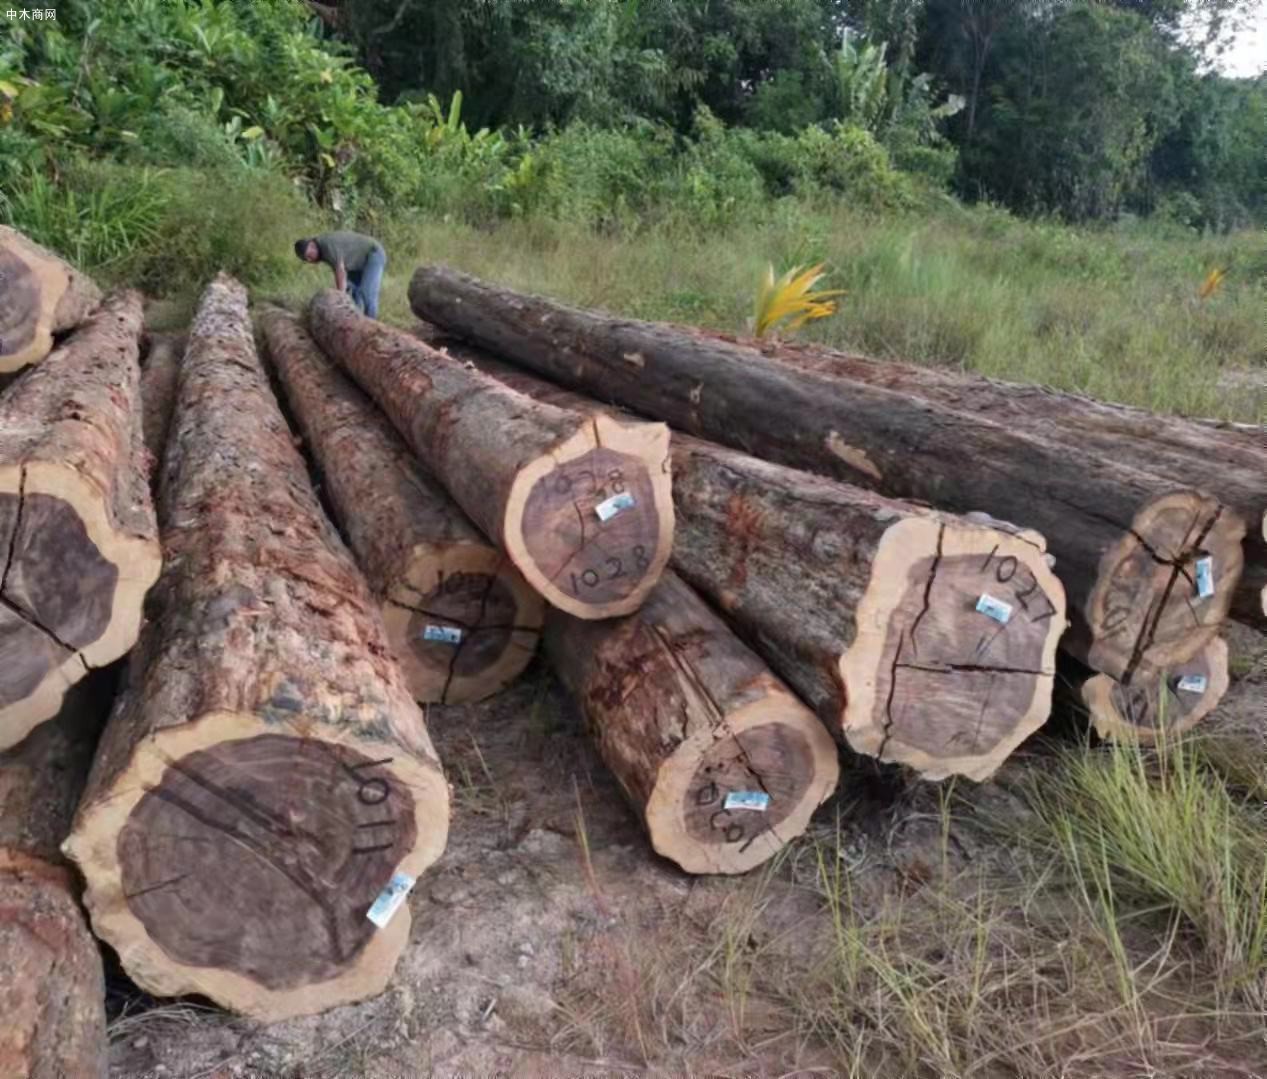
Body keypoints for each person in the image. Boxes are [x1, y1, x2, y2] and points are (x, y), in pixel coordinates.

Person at [294, 231, 386, 318]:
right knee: (353, 292)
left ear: (312, 245)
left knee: (367, 293)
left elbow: (340, 271)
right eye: (306, 259)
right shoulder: (322, 250)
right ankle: (356, 321)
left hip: (373, 253)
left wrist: (340, 298)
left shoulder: (326, 245)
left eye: (309, 255)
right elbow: (340, 272)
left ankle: (371, 323)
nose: (310, 260)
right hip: (356, 263)